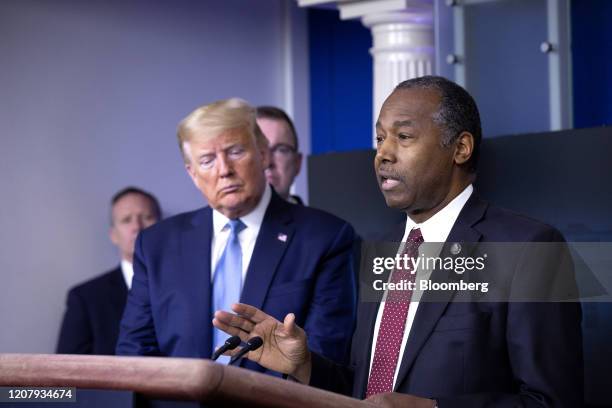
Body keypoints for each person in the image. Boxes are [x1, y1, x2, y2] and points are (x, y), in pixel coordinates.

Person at [212, 77, 583, 407]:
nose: (383, 154)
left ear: (460, 148)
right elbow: (368, 390)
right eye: (379, 138)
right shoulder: (383, 250)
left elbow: (551, 399)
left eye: (403, 137)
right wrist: (304, 365)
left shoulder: (529, 248)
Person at [116, 98, 356, 369]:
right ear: (192, 174)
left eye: (235, 151)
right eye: (207, 161)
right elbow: (134, 354)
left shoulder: (325, 237)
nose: (224, 170)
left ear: (263, 154)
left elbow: (326, 356)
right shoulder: (157, 244)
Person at [57, 187, 162, 355]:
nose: (137, 227)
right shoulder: (85, 298)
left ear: (164, 228)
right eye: (127, 220)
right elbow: (64, 372)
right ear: (113, 235)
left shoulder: (190, 287)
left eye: (147, 217)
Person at [256, 106, 304, 205]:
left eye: (281, 150)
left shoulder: (323, 221)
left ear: (297, 163)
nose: (268, 162)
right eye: (258, 150)